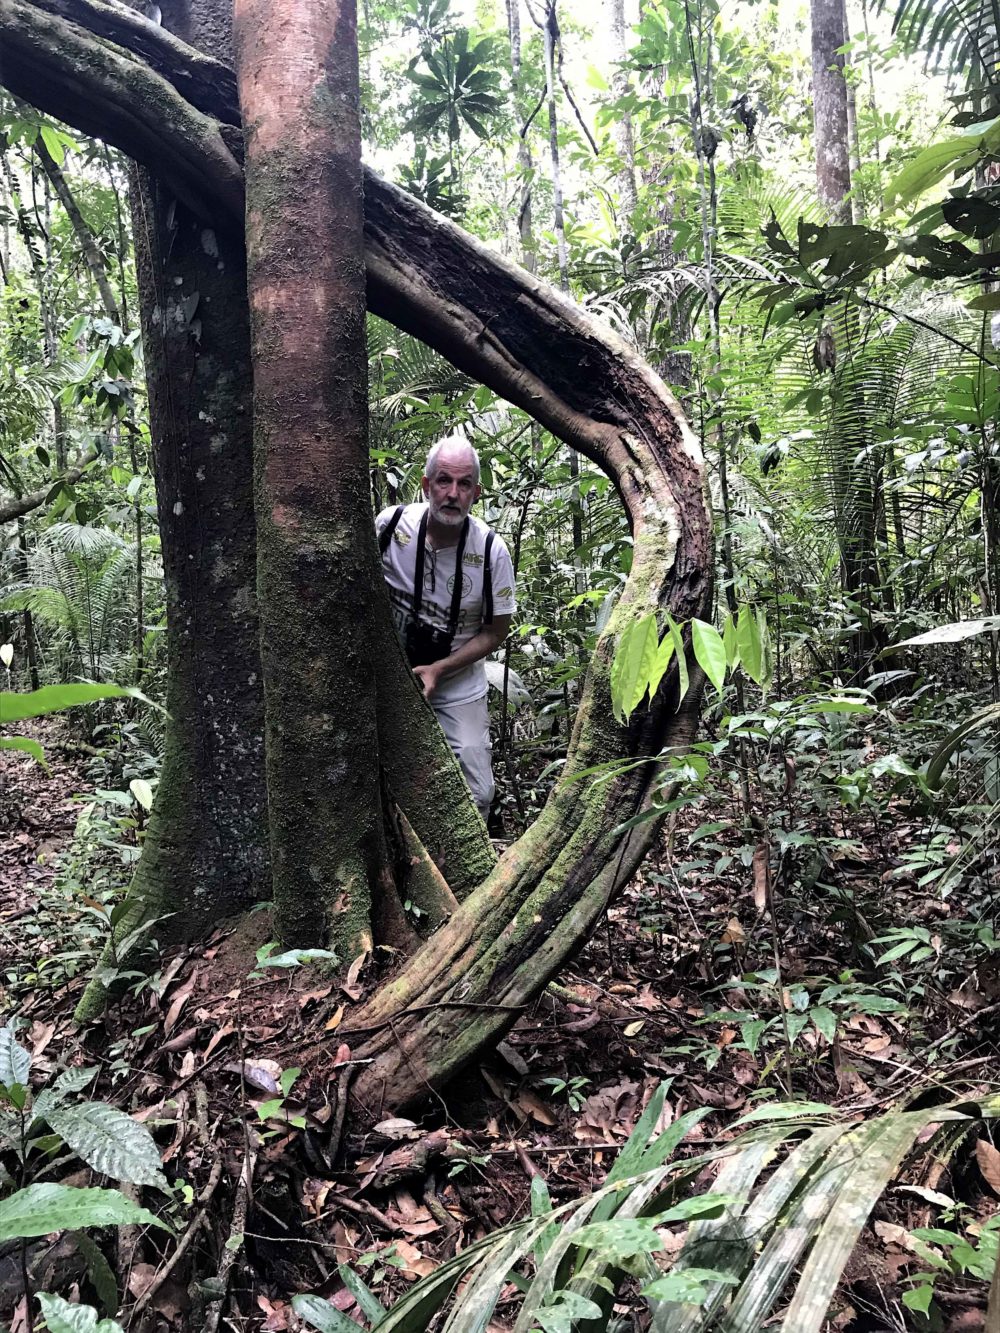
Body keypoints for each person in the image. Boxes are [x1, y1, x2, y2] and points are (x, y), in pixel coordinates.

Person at [376, 436, 516, 819]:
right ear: (426, 485)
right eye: (443, 481)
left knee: (479, 793)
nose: (452, 493)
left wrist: (439, 670)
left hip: (456, 681)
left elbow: (495, 631)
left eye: (464, 484)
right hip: (388, 673)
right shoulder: (390, 527)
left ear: (476, 493)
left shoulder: (490, 552)